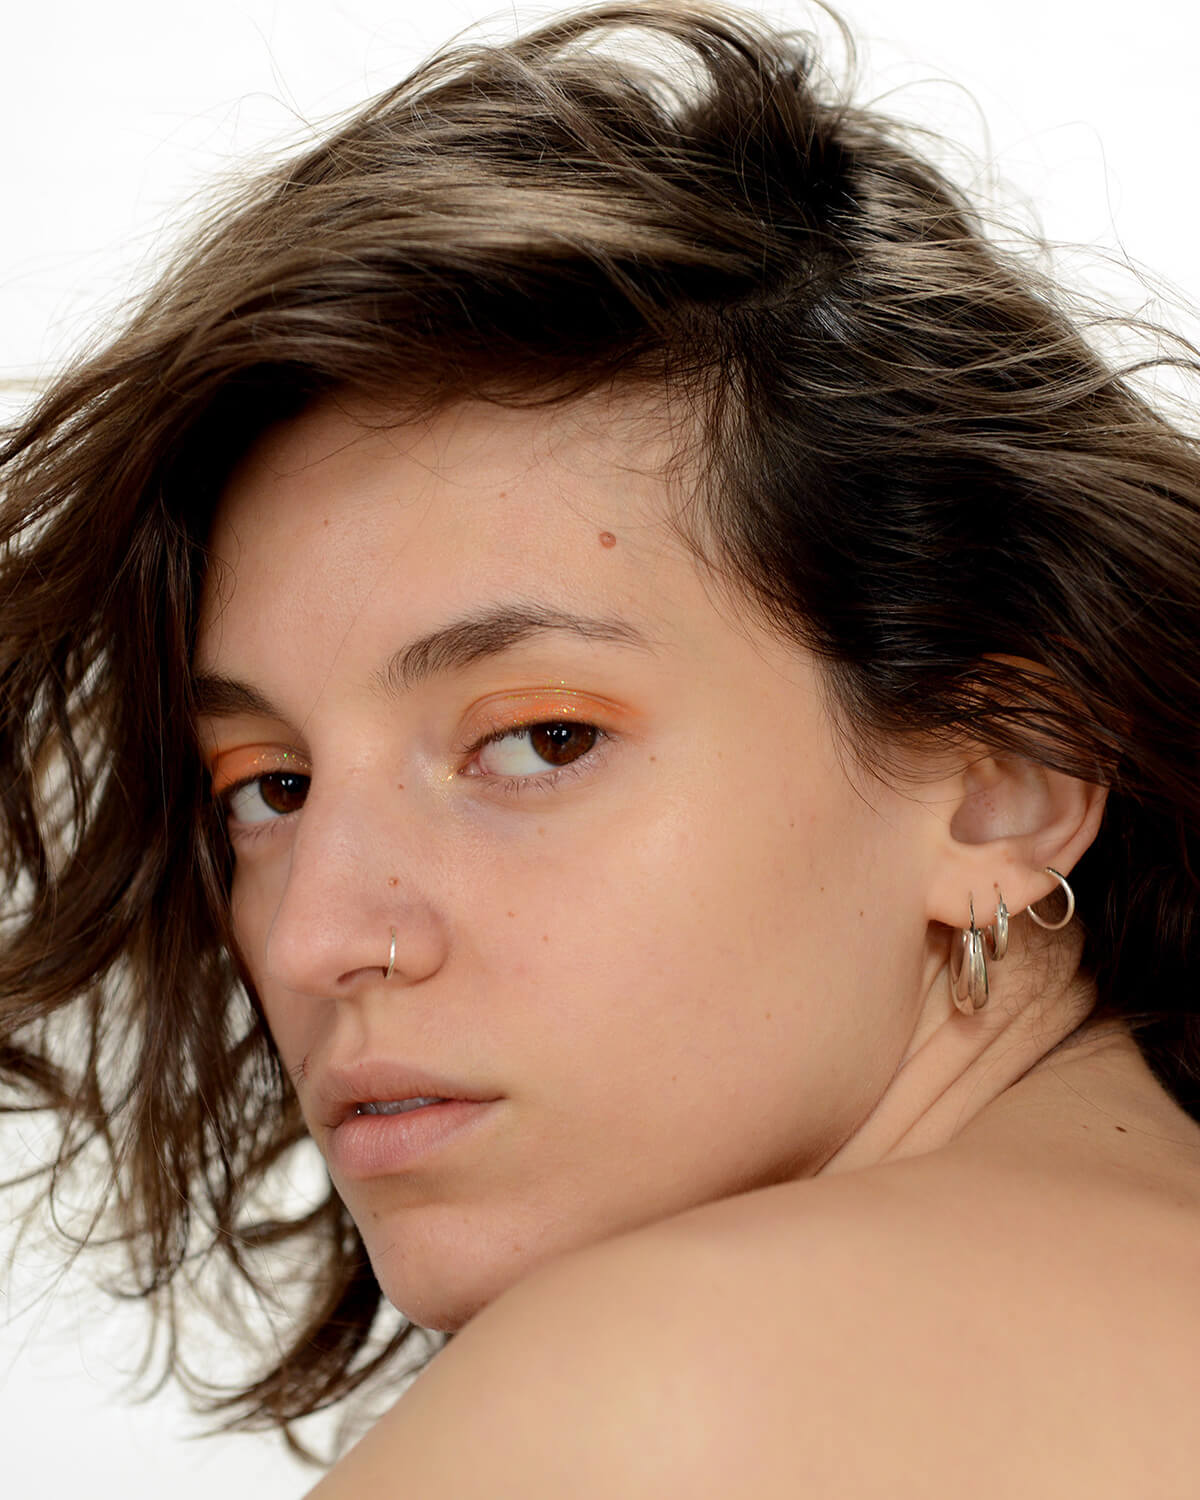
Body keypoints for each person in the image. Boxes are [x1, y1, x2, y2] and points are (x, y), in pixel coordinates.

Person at [3, 2, 1199, 1493]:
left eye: (539, 740)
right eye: (269, 788)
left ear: (1003, 777)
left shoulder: (654, 1394)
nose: (315, 936)